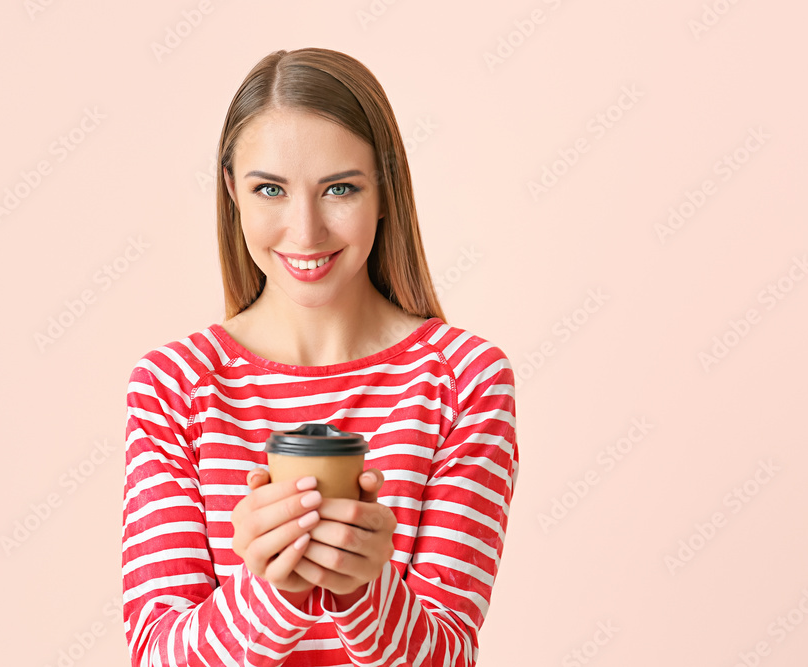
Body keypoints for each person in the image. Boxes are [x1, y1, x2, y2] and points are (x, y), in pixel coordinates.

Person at [122, 47, 519, 666]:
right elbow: (155, 656)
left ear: (386, 191)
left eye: (339, 188)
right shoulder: (174, 385)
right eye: (270, 190)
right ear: (232, 193)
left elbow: (449, 655)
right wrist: (270, 591)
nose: (305, 232)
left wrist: (365, 591)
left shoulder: (462, 378)